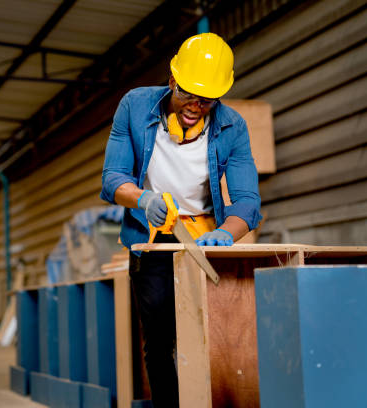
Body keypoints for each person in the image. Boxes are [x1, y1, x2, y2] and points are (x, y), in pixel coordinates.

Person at [100, 33, 261, 408]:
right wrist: (143, 199)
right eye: (188, 93)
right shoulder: (135, 107)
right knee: (158, 340)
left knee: (213, 334)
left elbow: (248, 201)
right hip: (151, 233)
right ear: (172, 80)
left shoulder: (232, 126)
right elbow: (112, 179)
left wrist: (227, 232)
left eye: (206, 100)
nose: (195, 106)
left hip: (204, 236)